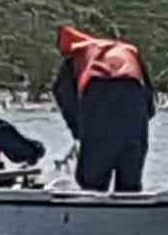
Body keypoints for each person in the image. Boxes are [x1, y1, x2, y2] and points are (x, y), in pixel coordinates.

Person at [53, 25, 155, 192]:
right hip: (134, 103)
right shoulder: (128, 50)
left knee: (91, 182)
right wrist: (137, 124)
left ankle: (92, 214)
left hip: (98, 98)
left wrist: (79, 130)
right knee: (130, 183)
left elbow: (64, 94)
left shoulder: (76, 57)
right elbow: (150, 101)